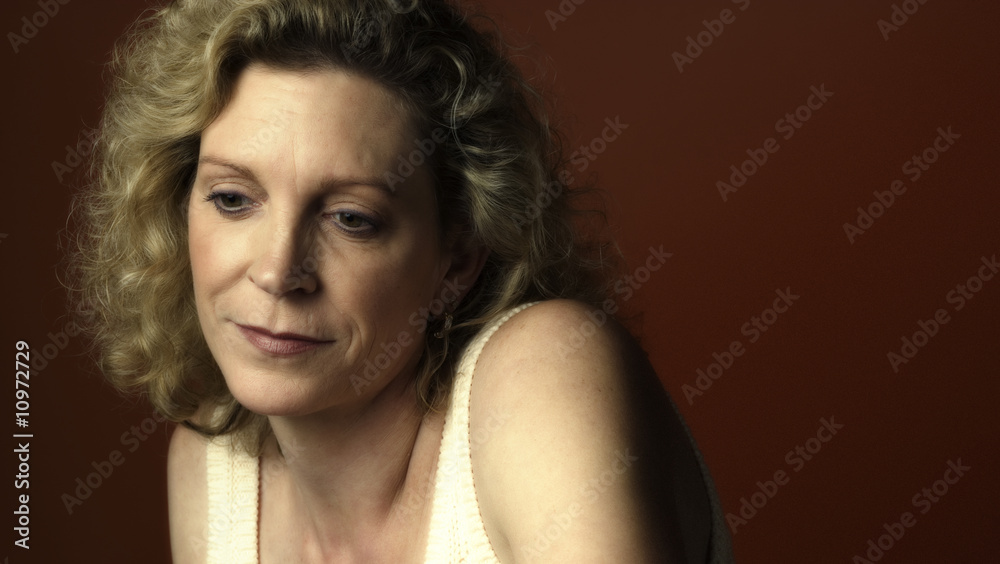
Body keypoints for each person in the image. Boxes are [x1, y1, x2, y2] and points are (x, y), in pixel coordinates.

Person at [67, 0, 734, 562]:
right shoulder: (213, 472)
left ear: (457, 260)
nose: (276, 272)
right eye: (233, 199)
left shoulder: (543, 371)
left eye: (351, 218)